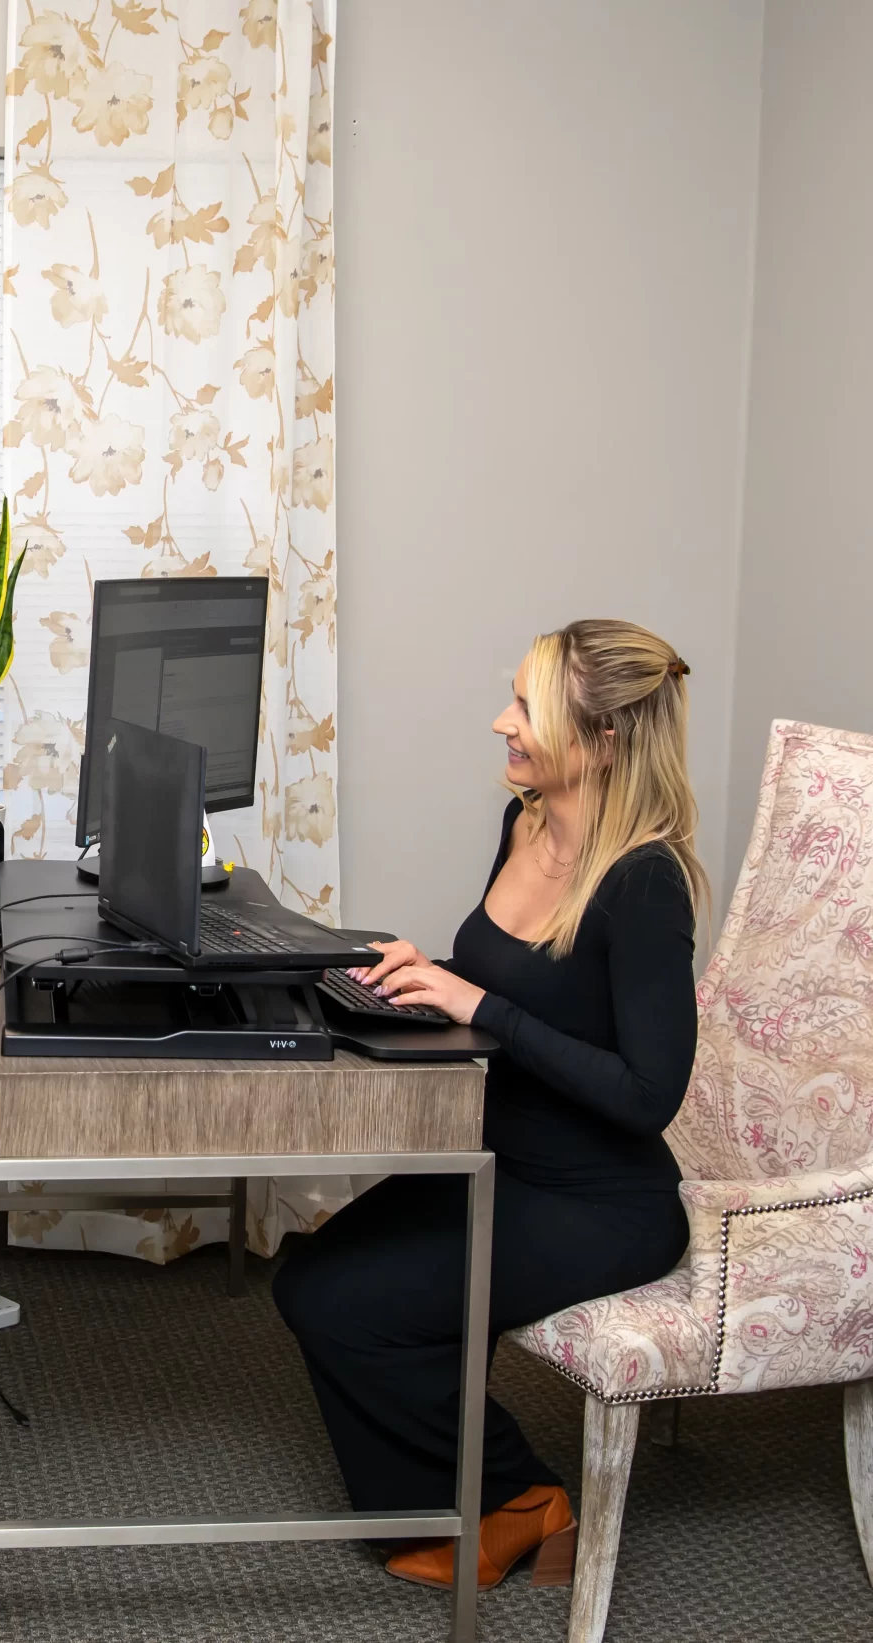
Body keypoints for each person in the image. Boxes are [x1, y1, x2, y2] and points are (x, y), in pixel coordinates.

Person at [271, 618, 706, 1589]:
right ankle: (472, 1498)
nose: (499, 721)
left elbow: (648, 1095)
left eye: (527, 709)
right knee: (305, 1282)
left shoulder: (644, 884)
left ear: (601, 742)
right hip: (501, 1158)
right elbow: (516, 985)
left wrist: (479, 1005)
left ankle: (524, 1501)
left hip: (601, 1202)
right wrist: (426, 974)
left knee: (346, 1308)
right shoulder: (525, 819)